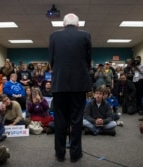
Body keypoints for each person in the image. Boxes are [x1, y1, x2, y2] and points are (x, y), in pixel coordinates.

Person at [49, 13, 92, 162]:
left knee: (60, 120)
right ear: (78, 25)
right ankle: (75, 154)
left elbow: (52, 61)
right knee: (76, 120)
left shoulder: (54, 36)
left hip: (59, 84)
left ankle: (60, 154)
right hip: (79, 84)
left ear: (63, 24)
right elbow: (88, 61)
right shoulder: (86, 36)